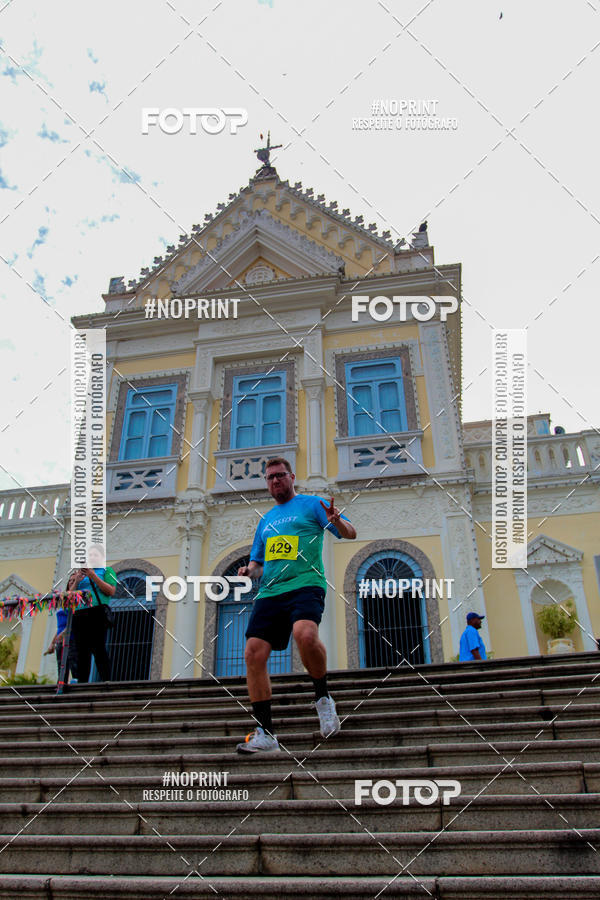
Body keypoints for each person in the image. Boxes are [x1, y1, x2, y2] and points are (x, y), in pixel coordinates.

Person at [235, 457, 356, 754]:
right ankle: (265, 733)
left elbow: (350, 533)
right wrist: (249, 571)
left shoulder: (313, 504)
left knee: (305, 635)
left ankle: (323, 698)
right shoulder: (265, 521)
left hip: (305, 584)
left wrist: (336, 518)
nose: (275, 481)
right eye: (270, 478)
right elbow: (259, 563)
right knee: (253, 653)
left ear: (291, 477)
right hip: (270, 592)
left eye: (280, 475)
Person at [70, 546, 117, 682]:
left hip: (97, 612)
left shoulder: (106, 571)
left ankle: (105, 680)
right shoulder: (80, 574)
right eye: (89, 555)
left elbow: (111, 591)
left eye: (95, 555)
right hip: (80, 613)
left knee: (98, 648)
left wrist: (93, 576)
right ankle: (82, 682)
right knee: (82, 650)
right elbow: (69, 595)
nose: (92, 557)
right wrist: (77, 581)